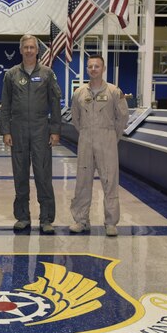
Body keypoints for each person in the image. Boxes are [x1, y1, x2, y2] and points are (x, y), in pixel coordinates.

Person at [0, 34, 62, 233]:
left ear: (37, 50)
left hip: (40, 130)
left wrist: (55, 130)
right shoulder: (11, 75)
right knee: (20, 175)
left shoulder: (47, 74)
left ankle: (46, 219)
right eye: (25, 47)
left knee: (43, 175)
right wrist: (6, 131)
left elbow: (55, 103)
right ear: (20, 50)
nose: (28, 50)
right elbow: (5, 105)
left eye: (31, 47)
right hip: (17, 131)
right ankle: (23, 217)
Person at [69, 54, 129, 237]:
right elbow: (75, 118)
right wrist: (87, 132)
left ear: (103, 69)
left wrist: (111, 136)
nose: (93, 69)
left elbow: (123, 117)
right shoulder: (79, 93)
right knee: (82, 182)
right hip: (86, 139)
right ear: (87, 69)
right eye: (90, 66)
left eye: (96, 66)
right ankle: (81, 220)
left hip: (107, 138)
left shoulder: (113, 92)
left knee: (110, 181)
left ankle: (111, 222)